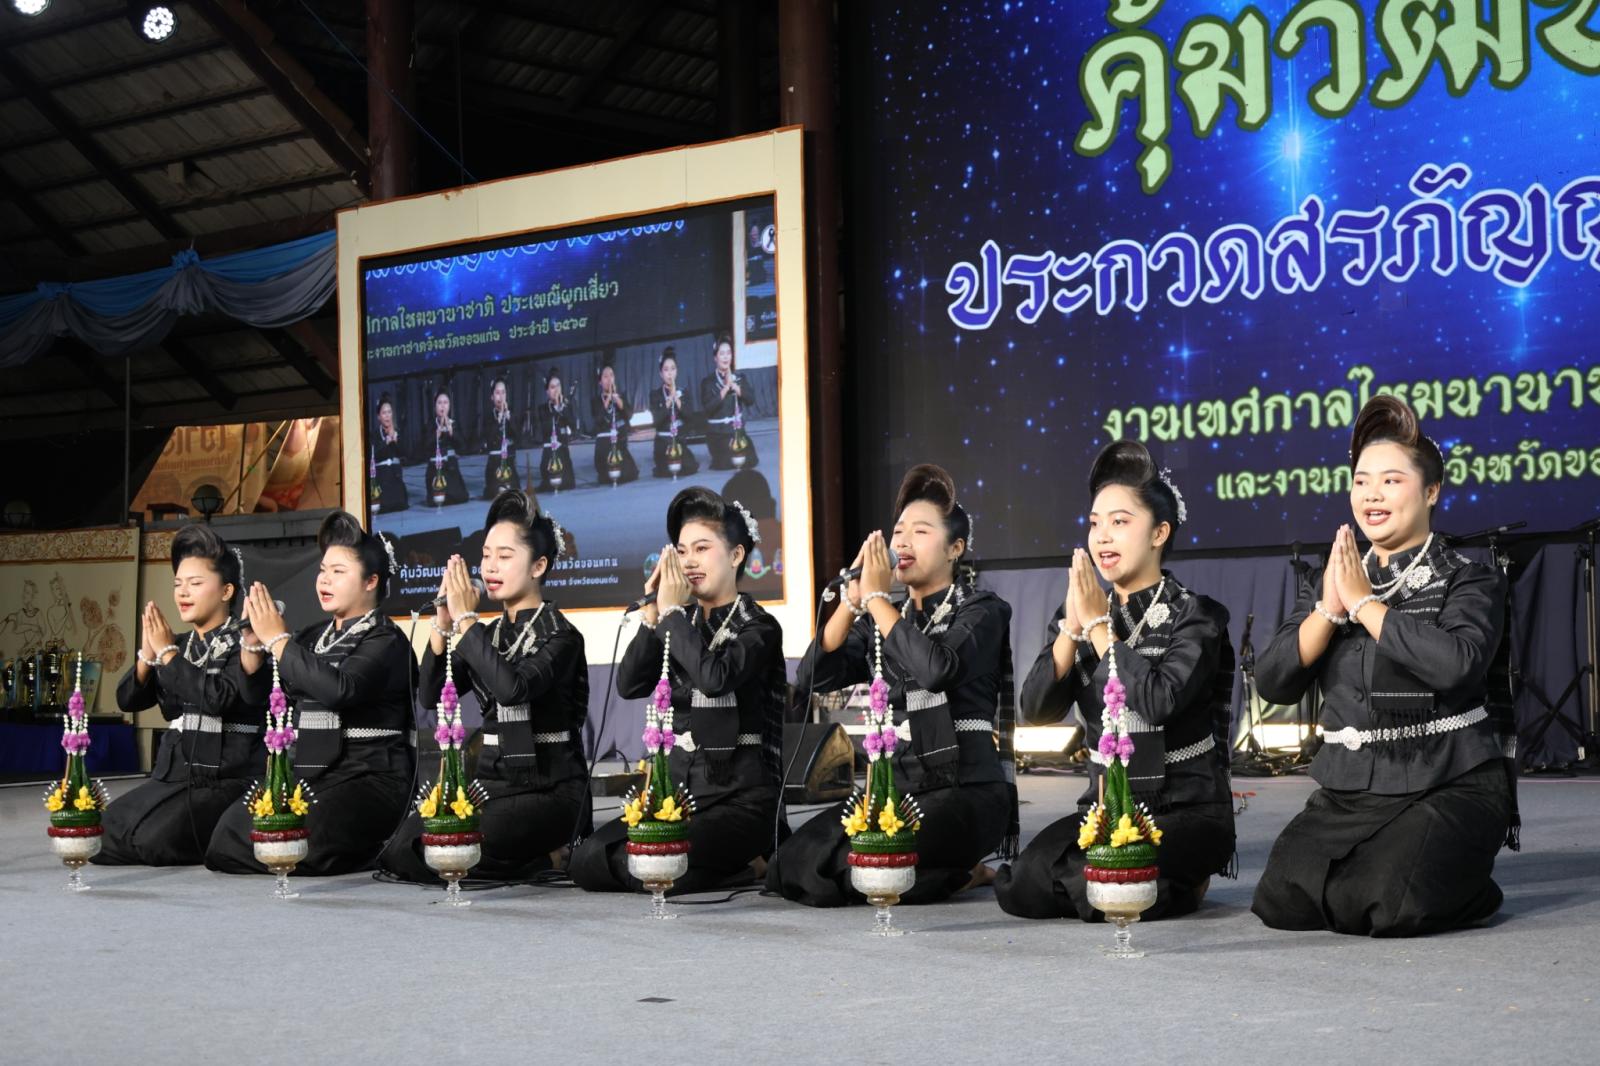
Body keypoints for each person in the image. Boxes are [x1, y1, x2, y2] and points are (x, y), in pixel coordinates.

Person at [1251, 395, 1517, 937]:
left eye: (1391, 481)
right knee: (1282, 897)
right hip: (1350, 791)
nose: (1372, 494)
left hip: (1448, 782)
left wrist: (1365, 604)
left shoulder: (1469, 578)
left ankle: (1470, 887)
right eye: (1361, 481)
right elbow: (1274, 682)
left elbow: (1458, 665)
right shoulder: (1331, 579)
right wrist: (1329, 609)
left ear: (1431, 491)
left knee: (1387, 898)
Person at [994, 441, 1236, 921]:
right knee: (1022, 885)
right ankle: (1160, 886)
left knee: (1113, 874)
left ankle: (1175, 882)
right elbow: (1036, 709)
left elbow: (1159, 701)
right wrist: (1071, 628)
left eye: (1120, 522)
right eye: (1094, 523)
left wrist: (1100, 631)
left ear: (1159, 532)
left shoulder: (1197, 616)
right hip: (1105, 811)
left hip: (1184, 809)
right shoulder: (1082, 614)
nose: (1102, 536)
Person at [767, 464, 1016, 906]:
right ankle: (956, 874)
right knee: (789, 864)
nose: (902, 542)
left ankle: (953, 867)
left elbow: (936, 670)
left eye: (920, 531)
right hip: (894, 792)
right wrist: (851, 602)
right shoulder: (883, 620)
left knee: (877, 862)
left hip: (965, 793)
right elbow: (811, 678)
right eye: (898, 531)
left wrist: (878, 601)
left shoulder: (983, 610)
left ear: (955, 548)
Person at [570, 487, 785, 894]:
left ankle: (745, 862)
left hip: (739, 802)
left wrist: (671, 616)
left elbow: (715, 678)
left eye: (702, 549)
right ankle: (736, 868)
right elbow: (630, 684)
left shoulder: (759, 627)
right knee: (586, 859)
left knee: (661, 861)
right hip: (677, 799)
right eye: (682, 551)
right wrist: (653, 618)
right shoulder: (676, 622)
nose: (689, 562)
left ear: (736, 555)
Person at [380, 491, 588, 882]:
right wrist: (442, 625)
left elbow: (513, 689)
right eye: (486, 554)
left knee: (451, 848)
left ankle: (547, 856)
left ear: (539, 565)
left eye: (504, 556)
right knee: (402, 848)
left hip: (549, 791)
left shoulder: (561, 636)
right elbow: (430, 695)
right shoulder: (486, 634)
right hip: (491, 786)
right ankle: (537, 861)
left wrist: (465, 622)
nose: (490, 566)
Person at [205, 512, 416, 876]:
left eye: (338, 571)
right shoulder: (311, 636)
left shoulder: (387, 639)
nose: (324, 580)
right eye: (322, 570)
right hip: (311, 776)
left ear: (371, 581)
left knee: (302, 841)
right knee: (225, 837)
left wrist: (279, 640)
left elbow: (340, 689)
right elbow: (259, 697)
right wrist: (253, 649)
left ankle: (373, 848)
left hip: (370, 779)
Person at [94, 526, 267, 865]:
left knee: (152, 842)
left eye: (195, 583)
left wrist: (168, 656)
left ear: (226, 591)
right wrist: (147, 657)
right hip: (173, 775)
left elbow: (217, 699)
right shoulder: (180, 644)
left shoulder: (246, 644)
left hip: (225, 779)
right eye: (178, 584)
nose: (183, 592)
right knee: (99, 835)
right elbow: (128, 701)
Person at [699, 332, 758, 470]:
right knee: (727, 461)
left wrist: (736, 388)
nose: (726, 357)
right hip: (718, 434)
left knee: (750, 460)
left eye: (728, 353)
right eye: (722, 354)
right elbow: (708, 408)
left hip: (736, 431)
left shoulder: (739, 377)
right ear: (715, 358)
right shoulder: (707, 382)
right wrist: (725, 388)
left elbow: (751, 400)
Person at [650, 347, 699, 478]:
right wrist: (668, 402)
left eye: (673, 369)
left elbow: (690, 417)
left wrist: (677, 400)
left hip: (678, 440)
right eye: (666, 370)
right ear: (661, 374)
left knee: (689, 467)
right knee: (665, 471)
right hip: (662, 442)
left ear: (677, 371)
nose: (670, 373)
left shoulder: (683, 392)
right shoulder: (655, 395)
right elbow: (656, 421)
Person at [591, 363, 640, 484]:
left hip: (620, 444)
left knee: (631, 473)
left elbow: (629, 415)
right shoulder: (595, 400)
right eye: (605, 376)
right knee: (608, 475)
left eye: (611, 375)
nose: (609, 379)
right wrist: (608, 398)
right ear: (600, 382)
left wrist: (617, 399)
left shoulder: (620, 397)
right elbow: (598, 420)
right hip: (604, 446)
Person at [536, 369, 577, 492]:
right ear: (547, 391)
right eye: (553, 387)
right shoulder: (542, 409)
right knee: (548, 485)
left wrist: (563, 410)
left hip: (563, 451)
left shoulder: (567, 407)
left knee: (568, 484)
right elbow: (543, 431)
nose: (556, 390)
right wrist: (557, 410)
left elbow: (574, 427)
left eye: (558, 386)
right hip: (549, 452)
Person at [481, 377, 521, 499]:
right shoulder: (488, 418)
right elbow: (488, 440)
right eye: (497, 393)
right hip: (494, 465)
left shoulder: (512, 416)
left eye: (503, 392)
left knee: (513, 491)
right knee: (499, 491)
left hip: (509, 464)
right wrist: (498, 420)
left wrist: (509, 419)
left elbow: (519, 438)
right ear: (492, 397)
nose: (501, 397)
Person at [428, 390, 470, 505]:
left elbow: (463, 447)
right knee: (436, 500)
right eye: (439, 403)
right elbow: (423, 449)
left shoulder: (454, 424)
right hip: (435, 469)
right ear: (435, 406)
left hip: (451, 469)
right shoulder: (430, 425)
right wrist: (437, 434)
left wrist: (452, 432)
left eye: (445, 403)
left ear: (450, 405)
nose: (442, 406)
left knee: (460, 497)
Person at [370, 394, 409, 513]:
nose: (387, 416)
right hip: (382, 478)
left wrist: (396, 441)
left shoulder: (398, 432)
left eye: (389, 412)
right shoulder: (374, 435)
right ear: (378, 416)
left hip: (395, 477)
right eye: (384, 413)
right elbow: (372, 455)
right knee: (384, 507)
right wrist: (385, 443)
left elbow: (407, 453)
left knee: (400, 505)